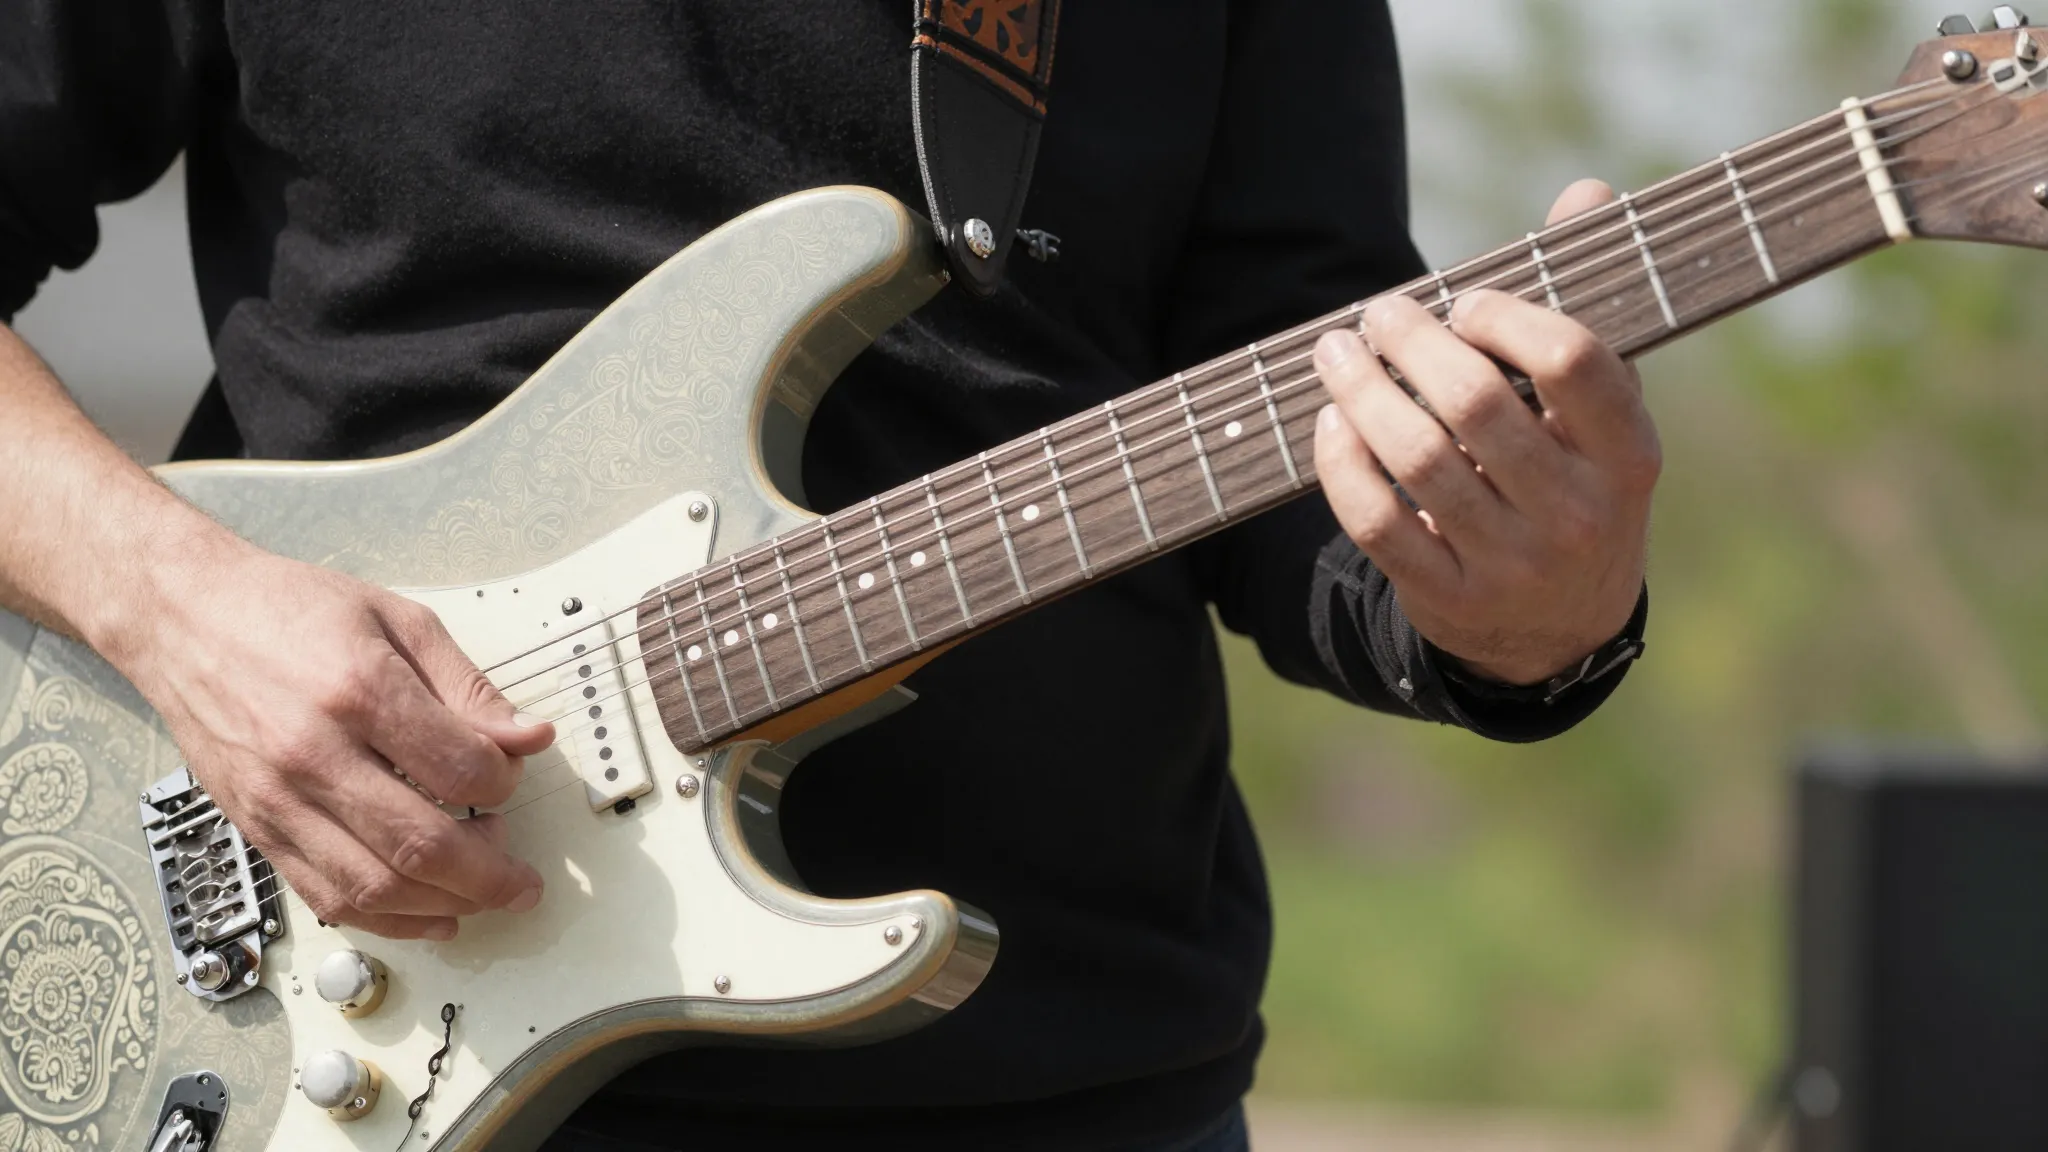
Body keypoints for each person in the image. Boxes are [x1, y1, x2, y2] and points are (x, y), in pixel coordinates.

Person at [0, 2, 1659, 1150]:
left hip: (1058, 1077)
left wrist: (1531, 613)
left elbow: (1299, 408)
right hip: (340, 1032)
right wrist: (178, 610)